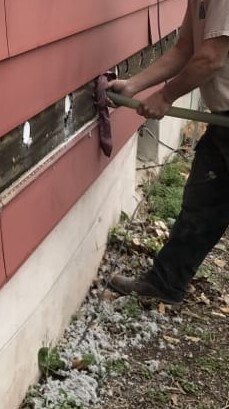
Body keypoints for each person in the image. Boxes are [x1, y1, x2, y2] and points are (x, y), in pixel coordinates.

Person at [107, 0, 229, 304]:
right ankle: (166, 283)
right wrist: (133, 86)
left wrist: (165, 96)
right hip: (223, 123)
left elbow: (211, 58)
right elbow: (184, 50)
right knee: (203, 202)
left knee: (207, 200)